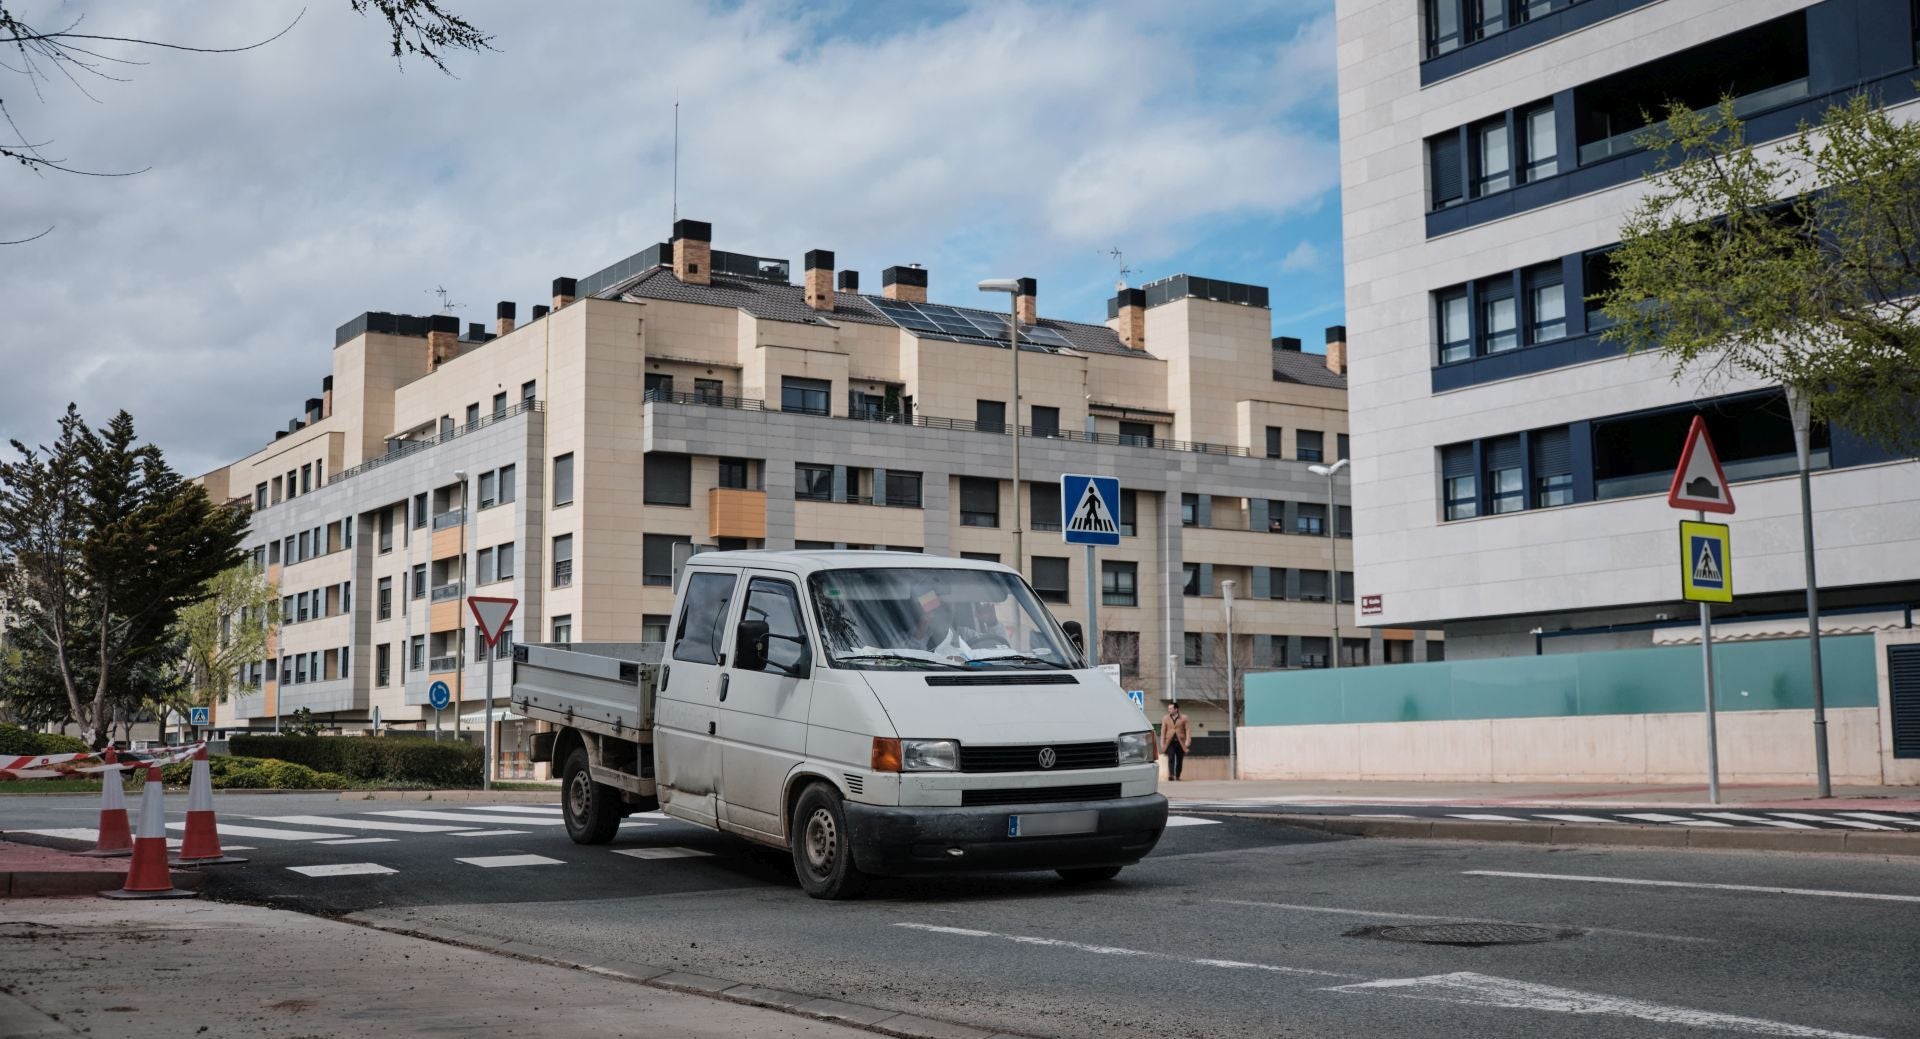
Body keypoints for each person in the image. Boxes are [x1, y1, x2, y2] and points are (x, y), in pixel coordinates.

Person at [1160, 702, 1190, 781]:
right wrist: (1162, 743)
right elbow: (1163, 731)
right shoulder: (1165, 718)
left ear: (1176, 709)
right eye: (1168, 708)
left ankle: (1177, 775)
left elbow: (1187, 730)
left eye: (1171, 708)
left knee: (1180, 760)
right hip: (1170, 742)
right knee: (1171, 758)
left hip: (1181, 742)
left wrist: (1187, 741)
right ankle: (1171, 775)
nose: (1169, 710)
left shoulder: (1184, 718)